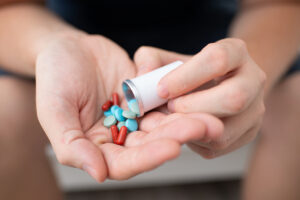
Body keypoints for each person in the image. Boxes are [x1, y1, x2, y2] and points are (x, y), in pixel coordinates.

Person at [0, 0, 299, 200]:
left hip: (211, 29)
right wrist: (51, 45)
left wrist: (247, 69)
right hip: (60, 27)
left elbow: (278, 5)